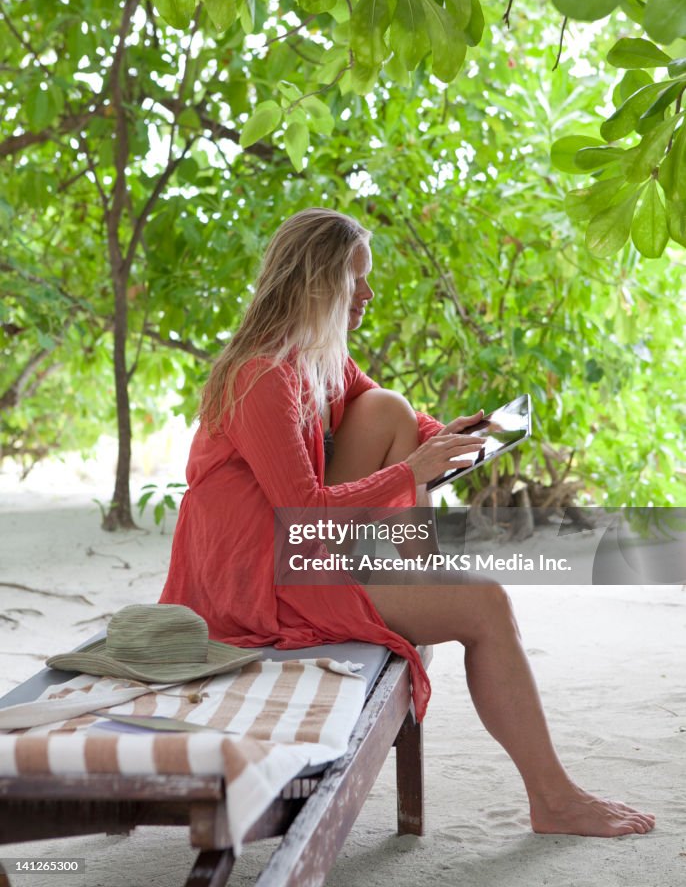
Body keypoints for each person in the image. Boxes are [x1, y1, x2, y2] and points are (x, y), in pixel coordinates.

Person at [160, 208, 655, 838]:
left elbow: (395, 419)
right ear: (317, 284)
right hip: (256, 579)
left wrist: (450, 438)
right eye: (356, 280)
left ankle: (407, 576)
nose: (369, 293)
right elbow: (302, 513)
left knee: (387, 405)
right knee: (487, 606)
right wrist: (413, 468)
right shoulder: (262, 375)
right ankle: (554, 799)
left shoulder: (316, 356)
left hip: (296, 551)